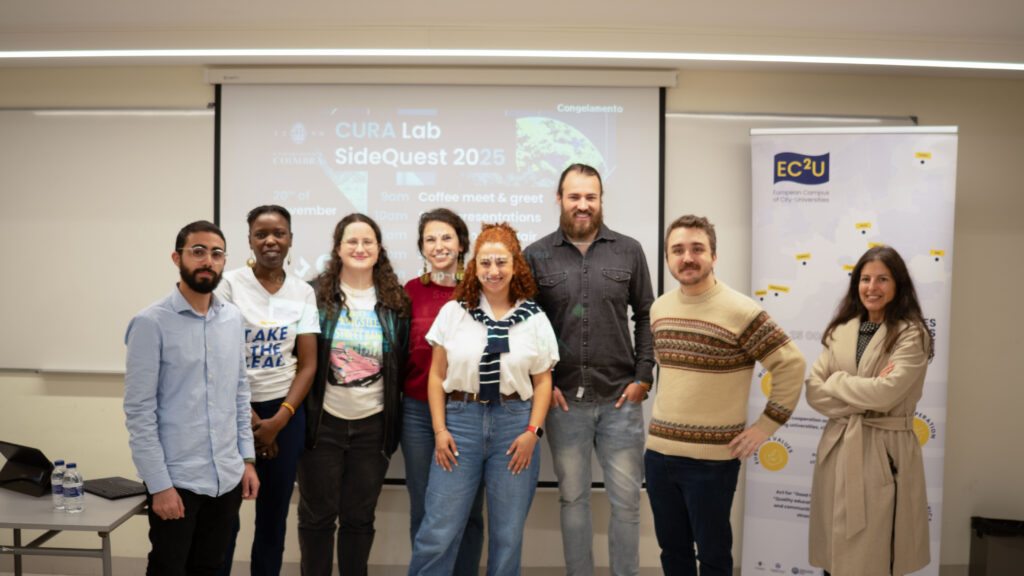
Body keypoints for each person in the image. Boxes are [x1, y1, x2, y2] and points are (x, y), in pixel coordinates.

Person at [645, 214, 805, 576]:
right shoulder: (659, 309)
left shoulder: (741, 311)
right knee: (672, 552)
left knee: (714, 558)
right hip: (658, 456)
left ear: (714, 256)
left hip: (711, 462)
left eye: (697, 249)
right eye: (677, 250)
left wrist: (766, 426)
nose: (687, 257)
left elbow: (791, 364)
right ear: (667, 258)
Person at [523, 163, 654, 576]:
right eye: (574, 196)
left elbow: (646, 316)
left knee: (627, 503)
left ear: (600, 200)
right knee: (573, 500)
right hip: (563, 402)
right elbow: (526, 328)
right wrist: (542, 385)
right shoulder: (535, 255)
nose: (583, 205)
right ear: (559, 199)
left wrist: (643, 376)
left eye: (590, 197)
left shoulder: (629, 250)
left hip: (620, 400)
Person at [408, 222, 558, 576]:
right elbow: (436, 376)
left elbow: (543, 382)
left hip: (515, 427)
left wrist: (533, 433)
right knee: (439, 530)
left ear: (515, 266)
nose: (494, 271)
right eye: (485, 263)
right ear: (474, 267)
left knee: (508, 535)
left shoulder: (534, 318)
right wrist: (440, 430)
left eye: (501, 262)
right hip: (461, 424)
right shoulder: (454, 312)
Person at [124, 220, 260, 576]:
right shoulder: (150, 323)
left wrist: (247, 460)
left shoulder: (232, 318)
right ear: (177, 258)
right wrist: (159, 485)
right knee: (169, 568)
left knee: (212, 567)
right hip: (177, 480)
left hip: (226, 478)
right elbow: (139, 413)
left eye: (216, 253)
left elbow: (240, 393)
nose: (207, 261)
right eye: (197, 251)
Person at [806, 246, 932, 576]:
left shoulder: (911, 334)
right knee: (835, 552)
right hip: (838, 448)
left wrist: (836, 380)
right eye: (865, 279)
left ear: (898, 284)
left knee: (874, 555)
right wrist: (866, 389)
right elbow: (814, 392)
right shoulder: (840, 331)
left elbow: (886, 394)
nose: (872, 287)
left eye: (882, 279)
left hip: (884, 451)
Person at [298, 213, 409, 576]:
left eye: (367, 242)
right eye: (352, 241)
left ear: (379, 249)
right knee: (317, 517)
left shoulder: (395, 301)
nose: (360, 248)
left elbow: (403, 363)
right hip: (322, 424)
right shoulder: (314, 295)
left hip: (373, 426)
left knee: (359, 519)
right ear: (338, 248)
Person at [216, 205, 319, 576]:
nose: (270, 241)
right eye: (261, 234)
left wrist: (278, 421)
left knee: (273, 517)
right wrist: (251, 419)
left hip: (284, 412)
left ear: (290, 239)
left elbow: (308, 364)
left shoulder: (303, 292)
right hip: (233, 409)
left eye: (279, 233)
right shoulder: (228, 285)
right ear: (250, 241)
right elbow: (219, 357)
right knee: (225, 516)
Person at [401, 208, 485, 575]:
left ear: (462, 244)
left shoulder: (481, 289)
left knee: (469, 510)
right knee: (424, 506)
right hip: (418, 413)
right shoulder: (409, 292)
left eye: (447, 237)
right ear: (422, 247)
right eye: (430, 239)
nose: (439, 246)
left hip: (469, 411)